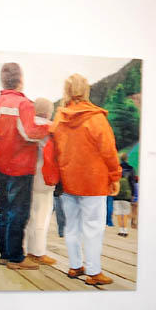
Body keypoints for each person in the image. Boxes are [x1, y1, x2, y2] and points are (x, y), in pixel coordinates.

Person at [51, 74, 120, 286]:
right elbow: (109, 151)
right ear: (86, 90)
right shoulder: (96, 118)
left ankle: (75, 266)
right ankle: (93, 272)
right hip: (94, 182)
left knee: (72, 226)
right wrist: (115, 175)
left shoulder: (59, 118)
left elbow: (55, 151)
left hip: (68, 181)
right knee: (93, 227)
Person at [0, 63, 49, 270]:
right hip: (20, 166)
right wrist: (49, 128)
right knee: (19, 212)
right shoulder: (24, 104)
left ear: (3, 80)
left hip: (0, 164)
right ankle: (16, 258)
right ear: (20, 79)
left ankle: (4, 255)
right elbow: (30, 133)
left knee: (4, 210)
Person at [24, 98, 59, 266]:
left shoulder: (26, 125)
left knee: (31, 215)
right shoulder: (51, 127)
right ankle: (37, 252)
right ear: (48, 112)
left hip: (25, 175)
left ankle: (29, 250)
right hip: (44, 176)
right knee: (42, 216)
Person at [113, 153, 137, 237]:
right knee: (125, 213)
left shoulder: (117, 168)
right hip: (127, 195)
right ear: (127, 159)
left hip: (117, 194)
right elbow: (132, 183)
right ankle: (125, 230)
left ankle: (120, 230)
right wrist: (133, 194)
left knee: (119, 213)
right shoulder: (131, 169)